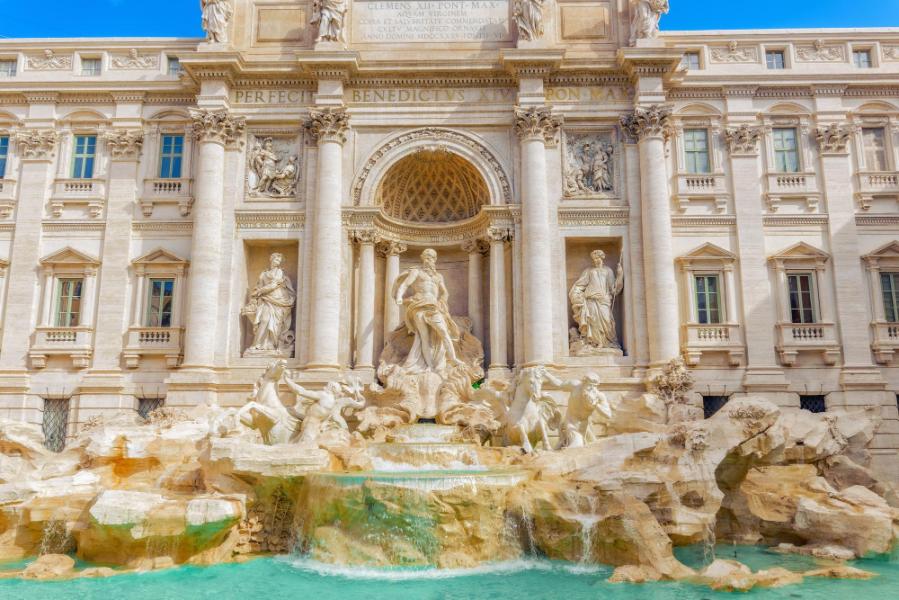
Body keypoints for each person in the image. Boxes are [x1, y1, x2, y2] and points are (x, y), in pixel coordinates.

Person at [392, 248, 463, 373]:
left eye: (430, 257)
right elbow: (405, 284)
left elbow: (445, 292)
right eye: (426, 257)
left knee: (444, 332)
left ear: (435, 260)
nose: (428, 260)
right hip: (418, 305)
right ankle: (429, 365)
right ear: (422, 258)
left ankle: (453, 359)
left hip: (434, 307)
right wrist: (399, 297)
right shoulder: (416, 272)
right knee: (423, 337)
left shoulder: (438, 276)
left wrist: (442, 303)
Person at [569, 249, 624, 349]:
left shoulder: (608, 271)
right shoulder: (589, 271)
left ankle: (607, 342)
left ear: (602, 258)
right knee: (593, 322)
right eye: (594, 258)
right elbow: (580, 284)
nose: (596, 260)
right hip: (590, 299)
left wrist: (620, 275)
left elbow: (613, 289)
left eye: (598, 258)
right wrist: (575, 294)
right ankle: (595, 343)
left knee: (607, 321)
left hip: (603, 300)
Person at [245, 253, 296, 351]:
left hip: (278, 300)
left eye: (279, 261)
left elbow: (273, 285)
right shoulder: (264, 273)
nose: (277, 262)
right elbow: (258, 286)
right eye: (276, 260)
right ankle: (257, 344)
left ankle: (271, 345)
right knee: (264, 320)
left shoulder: (279, 272)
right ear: (271, 259)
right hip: (265, 299)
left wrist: (260, 291)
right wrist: (256, 293)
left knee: (275, 324)